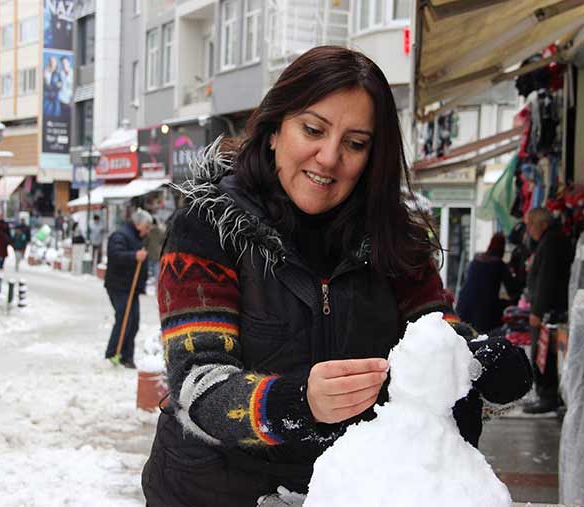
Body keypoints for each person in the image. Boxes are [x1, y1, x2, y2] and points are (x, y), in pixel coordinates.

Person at [141, 46, 533, 506]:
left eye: (355, 143)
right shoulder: (208, 228)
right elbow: (197, 386)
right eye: (313, 129)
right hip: (213, 492)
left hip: (347, 491)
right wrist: (295, 401)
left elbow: (437, 338)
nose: (329, 158)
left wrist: (478, 365)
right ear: (274, 130)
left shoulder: (397, 242)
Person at [523, 207, 573, 414]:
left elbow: (547, 279)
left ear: (542, 224)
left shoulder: (552, 241)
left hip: (548, 310)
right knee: (544, 353)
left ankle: (548, 396)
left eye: (530, 224)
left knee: (543, 354)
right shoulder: (551, 240)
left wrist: (537, 309)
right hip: (548, 308)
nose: (528, 229)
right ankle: (546, 394)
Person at [103, 208, 150, 369]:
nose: (148, 230)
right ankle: (114, 353)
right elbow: (115, 255)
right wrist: (134, 256)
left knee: (134, 321)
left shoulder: (136, 237)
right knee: (125, 319)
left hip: (131, 287)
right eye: (146, 226)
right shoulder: (120, 235)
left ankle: (126, 355)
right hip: (119, 286)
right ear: (138, 224)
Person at [456, 233, 519, 334]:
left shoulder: (476, 260)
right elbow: (513, 290)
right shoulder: (499, 264)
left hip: (463, 307)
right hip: (483, 313)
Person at [143, 217, 165, 283]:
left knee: (148, 269)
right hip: (158, 253)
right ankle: (157, 284)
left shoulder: (148, 231)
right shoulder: (161, 231)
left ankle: (147, 282)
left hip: (149, 253)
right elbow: (163, 241)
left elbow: (145, 242)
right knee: (157, 271)